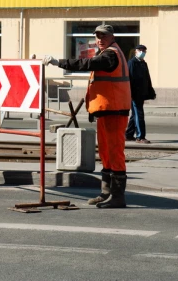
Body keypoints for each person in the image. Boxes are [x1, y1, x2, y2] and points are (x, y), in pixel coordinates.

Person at [44, 24, 131, 208]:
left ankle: (118, 196)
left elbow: (87, 64)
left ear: (112, 36)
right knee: (107, 154)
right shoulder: (106, 53)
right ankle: (106, 193)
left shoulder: (110, 54)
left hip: (114, 111)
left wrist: (58, 62)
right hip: (106, 111)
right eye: (97, 36)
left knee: (115, 154)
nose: (100, 39)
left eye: (104, 36)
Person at [125, 44, 156, 144]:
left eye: (144, 50)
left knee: (135, 115)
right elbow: (129, 79)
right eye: (140, 50)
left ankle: (129, 135)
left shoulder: (143, 63)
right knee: (139, 114)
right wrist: (131, 93)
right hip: (134, 93)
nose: (142, 52)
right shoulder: (131, 63)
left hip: (141, 93)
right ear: (136, 52)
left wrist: (150, 91)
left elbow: (147, 78)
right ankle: (140, 137)